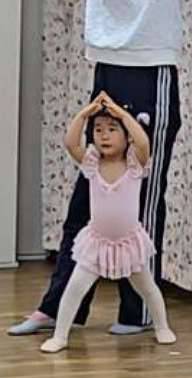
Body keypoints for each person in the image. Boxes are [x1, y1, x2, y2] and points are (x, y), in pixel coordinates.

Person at [8, 0, 182, 337]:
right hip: (107, 57)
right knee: (89, 197)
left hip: (150, 61)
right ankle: (60, 306)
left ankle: (140, 310)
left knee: (141, 198)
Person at [40, 93, 176, 354]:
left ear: (127, 137)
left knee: (147, 288)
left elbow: (143, 142)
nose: (104, 135)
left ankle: (162, 327)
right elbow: (71, 143)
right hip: (97, 243)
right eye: (98, 130)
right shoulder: (92, 163)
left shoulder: (134, 165)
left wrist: (121, 113)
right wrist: (84, 114)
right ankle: (60, 336)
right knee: (74, 289)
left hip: (128, 243)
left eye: (112, 130)